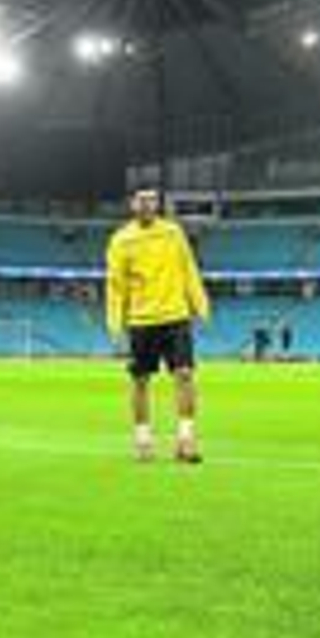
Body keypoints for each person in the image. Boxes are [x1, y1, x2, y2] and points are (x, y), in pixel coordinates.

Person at [105, 188, 211, 463]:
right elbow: (116, 285)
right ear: (132, 204)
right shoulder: (121, 240)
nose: (147, 204)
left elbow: (189, 269)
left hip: (176, 315)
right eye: (142, 199)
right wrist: (115, 323)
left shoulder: (173, 233)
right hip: (141, 320)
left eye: (152, 199)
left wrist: (200, 304)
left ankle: (186, 440)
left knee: (185, 374)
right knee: (140, 381)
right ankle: (143, 441)